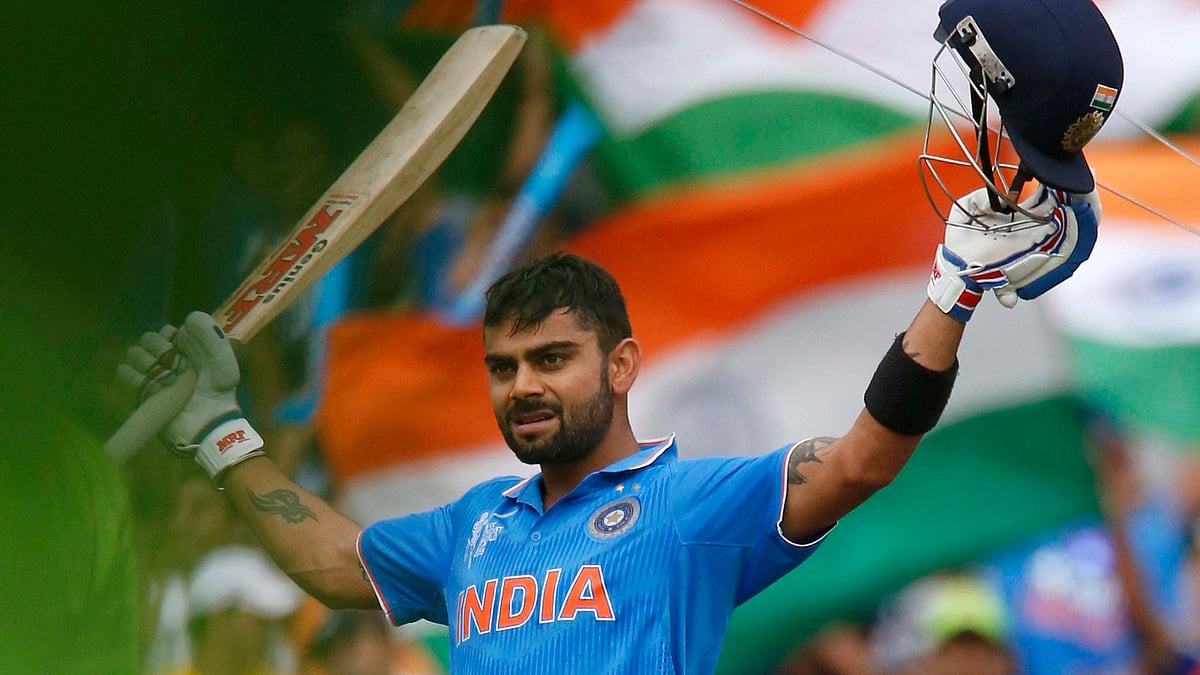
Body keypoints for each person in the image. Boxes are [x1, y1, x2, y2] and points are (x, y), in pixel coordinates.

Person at [113, 0, 1122, 672]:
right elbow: (336, 563)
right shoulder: (472, 527)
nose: (521, 388)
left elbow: (863, 460)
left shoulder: (690, 506)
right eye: (504, 368)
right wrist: (217, 433)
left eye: (551, 360)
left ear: (624, 365)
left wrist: (949, 297)